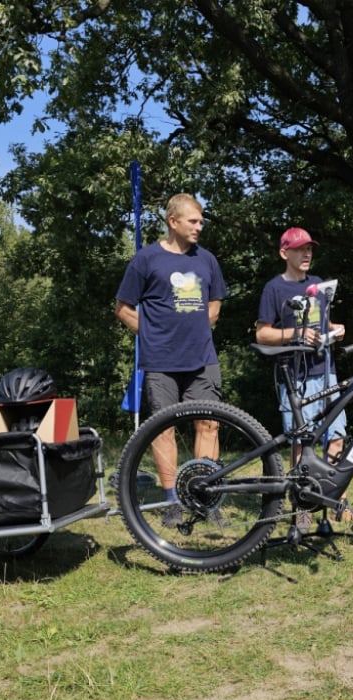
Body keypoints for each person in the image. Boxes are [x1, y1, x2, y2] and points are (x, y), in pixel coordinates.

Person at [115, 193, 227, 526]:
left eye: (201, 220)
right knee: (163, 430)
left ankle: (207, 498)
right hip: (160, 362)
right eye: (193, 221)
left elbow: (215, 305)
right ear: (172, 222)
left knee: (209, 424)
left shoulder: (207, 260)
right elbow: (123, 308)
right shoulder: (146, 260)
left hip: (203, 359)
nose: (200, 227)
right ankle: (172, 502)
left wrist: (196, 332)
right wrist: (152, 336)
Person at [255, 227, 353, 529]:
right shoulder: (274, 289)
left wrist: (335, 329)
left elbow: (323, 322)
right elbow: (262, 333)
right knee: (300, 442)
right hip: (295, 377)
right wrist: (296, 334)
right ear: (285, 253)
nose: (307, 254)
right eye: (300, 249)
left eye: (310, 249)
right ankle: (302, 507)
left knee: (336, 436)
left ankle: (337, 502)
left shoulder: (320, 285)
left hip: (327, 372)